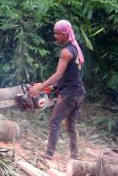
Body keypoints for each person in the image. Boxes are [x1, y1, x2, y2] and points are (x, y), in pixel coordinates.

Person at [28, 20, 86, 160]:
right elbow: (70, 76)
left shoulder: (66, 51)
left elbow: (58, 74)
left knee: (54, 122)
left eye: (57, 33)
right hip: (78, 92)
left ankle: (48, 156)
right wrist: (52, 88)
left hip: (70, 94)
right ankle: (75, 157)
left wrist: (40, 88)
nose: (55, 36)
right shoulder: (74, 49)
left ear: (65, 34)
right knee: (71, 126)